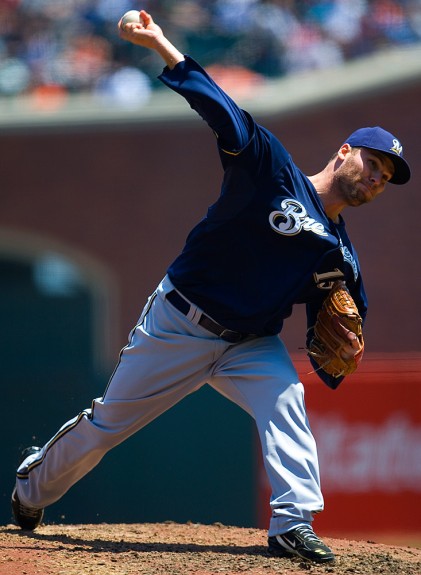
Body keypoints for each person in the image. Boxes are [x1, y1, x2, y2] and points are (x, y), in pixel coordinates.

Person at [11, 10, 411, 565]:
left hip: (250, 343)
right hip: (180, 322)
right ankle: (31, 488)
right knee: (108, 426)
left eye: (385, 178)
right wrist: (159, 44)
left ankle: (292, 524)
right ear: (344, 151)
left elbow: (344, 320)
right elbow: (221, 110)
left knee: (287, 400)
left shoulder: (339, 255)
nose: (375, 178)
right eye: (373, 163)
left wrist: (347, 338)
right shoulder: (271, 168)